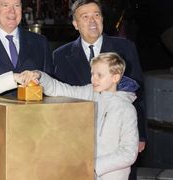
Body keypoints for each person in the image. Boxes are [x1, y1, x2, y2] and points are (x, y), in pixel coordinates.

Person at [52, 1, 146, 178]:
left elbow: (138, 92)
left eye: (96, 15)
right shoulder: (60, 55)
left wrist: (140, 135)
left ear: (102, 19)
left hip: (116, 140)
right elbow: (60, 100)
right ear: (75, 24)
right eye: (85, 17)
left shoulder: (125, 48)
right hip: (77, 140)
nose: (92, 21)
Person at [22, 52, 139, 179]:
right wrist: (38, 76)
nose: (93, 79)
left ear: (115, 78)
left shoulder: (126, 109)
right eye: (92, 74)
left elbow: (129, 153)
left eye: (99, 75)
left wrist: (94, 166)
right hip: (85, 172)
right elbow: (59, 89)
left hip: (111, 175)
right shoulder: (89, 92)